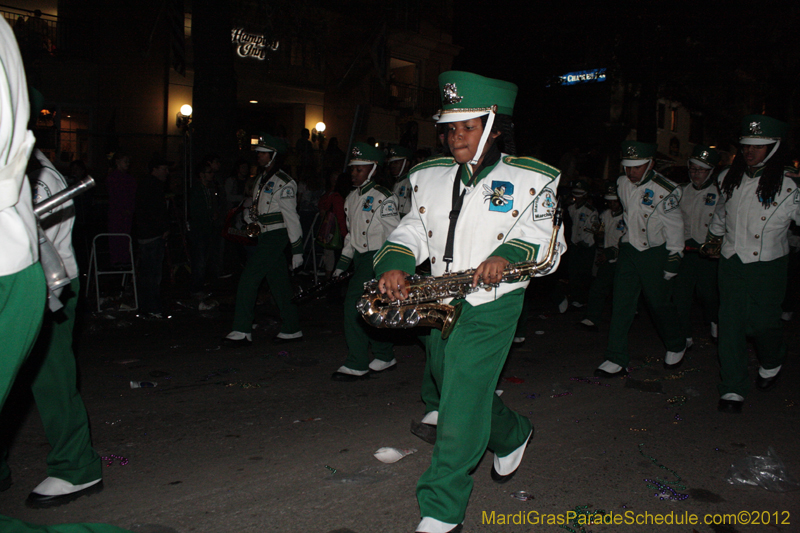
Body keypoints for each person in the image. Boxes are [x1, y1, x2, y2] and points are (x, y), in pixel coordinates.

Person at [374, 71, 566, 533]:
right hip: (441, 298)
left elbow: (545, 242)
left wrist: (506, 255)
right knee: (456, 382)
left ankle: (441, 508)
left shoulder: (532, 179)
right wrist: (396, 261)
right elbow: (414, 229)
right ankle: (512, 432)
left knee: (458, 401)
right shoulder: (427, 177)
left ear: (494, 126)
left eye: (468, 126)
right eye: (450, 127)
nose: (456, 136)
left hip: (494, 302)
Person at [0, 17, 132, 532]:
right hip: (30, 278)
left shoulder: (43, 175)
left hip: (52, 287)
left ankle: (77, 465)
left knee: (50, 378)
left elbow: (48, 247)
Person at [704, 115, 800, 413]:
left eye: (758, 146)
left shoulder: (790, 185)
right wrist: (714, 238)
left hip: (768, 265)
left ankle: (773, 358)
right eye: (746, 145)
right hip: (732, 261)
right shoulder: (727, 178)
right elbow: (722, 213)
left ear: (774, 147)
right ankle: (732, 387)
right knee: (729, 325)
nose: (750, 151)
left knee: (763, 324)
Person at [594, 141, 686, 378]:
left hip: (655, 252)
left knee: (659, 304)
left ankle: (677, 342)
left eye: (637, 167)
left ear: (650, 164)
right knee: (621, 304)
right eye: (628, 167)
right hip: (629, 249)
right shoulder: (622, 182)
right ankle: (616, 357)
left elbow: (675, 226)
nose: (631, 172)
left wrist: (675, 255)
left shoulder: (666, 190)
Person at [224, 134, 304, 346]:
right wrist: (250, 215)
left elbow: (291, 217)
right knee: (279, 284)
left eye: (262, 152)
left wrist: (297, 249)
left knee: (249, 279)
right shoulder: (260, 179)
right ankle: (292, 327)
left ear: (274, 155)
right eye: (258, 152)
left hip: (276, 235)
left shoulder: (285, 183)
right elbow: (260, 206)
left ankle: (242, 329)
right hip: (264, 234)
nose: (258, 156)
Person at [330, 142, 400, 381]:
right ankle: (384, 354)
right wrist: (341, 265)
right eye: (353, 169)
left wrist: (394, 265)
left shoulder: (384, 197)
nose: (354, 173)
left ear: (372, 169)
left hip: (378, 257)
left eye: (360, 169)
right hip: (360, 258)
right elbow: (351, 236)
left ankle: (357, 362)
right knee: (372, 309)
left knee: (353, 308)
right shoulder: (351, 198)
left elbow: (396, 234)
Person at [673, 145, 721, 346]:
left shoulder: (720, 192)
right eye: (692, 169)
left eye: (700, 170)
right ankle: (685, 335)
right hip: (685, 249)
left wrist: (716, 242)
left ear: (710, 171)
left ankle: (715, 320)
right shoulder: (682, 190)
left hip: (707, 250)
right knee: (680, 295)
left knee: (708, 293)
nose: (695, 174)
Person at [580, 182, 626, 330]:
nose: (612, 204)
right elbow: (601, 231)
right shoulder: (605, 215)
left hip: (623, 258)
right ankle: (592, 318)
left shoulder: (627, 216)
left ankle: (622, 321)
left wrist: (612, 252)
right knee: (597, 288)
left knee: (621, 292)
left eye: (615, 201)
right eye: (610, 201)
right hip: (607, 257)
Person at [134, 156, 171, 318]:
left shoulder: (146, 184)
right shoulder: (153, 186)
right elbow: (155, 210)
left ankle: (147, 306)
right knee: (153, 273)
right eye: (164, 169)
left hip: (145, 233)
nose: (167, 172)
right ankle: (152, 307)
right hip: (152, 234)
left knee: (148, 272)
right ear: (154, 170)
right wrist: (163, 227)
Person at [566, 178, 598, 307]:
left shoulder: (591, 211)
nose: (577, 198)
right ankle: (573, 297)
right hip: (574, 244)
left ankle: (582, 299)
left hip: (586, 246)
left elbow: (591, 230)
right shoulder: (570, 208)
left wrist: (584, 242)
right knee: (573, 272)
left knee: (584, 274)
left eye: (580, 194)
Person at [317, 171, 350, 279]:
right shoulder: (337, 197)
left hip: (329, 233)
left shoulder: (332, 195)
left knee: (329, 259)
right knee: (333, 261)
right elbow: (340, 218)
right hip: (336, 234)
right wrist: (346, 236)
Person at [106, 151, 136, 267]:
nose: (128, 164)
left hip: (127, 215)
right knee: (117, 238)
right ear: (118, 162)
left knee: (125, 238)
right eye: (125, 161)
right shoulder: (113, 178)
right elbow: (116, 196)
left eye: (128, 161)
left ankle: (124, 260)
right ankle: (117, 261)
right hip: (117, 214)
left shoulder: (129, 178)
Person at [387, 145, 415, 217]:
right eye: (391, 163)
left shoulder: (412, 182)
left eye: (396, 162)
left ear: (406, 163)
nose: (392, 166)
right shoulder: (394, 182)